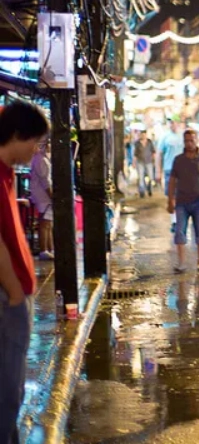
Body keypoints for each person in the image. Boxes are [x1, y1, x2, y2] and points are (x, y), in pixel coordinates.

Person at [0, 101, 50, 443]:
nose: (35, 150)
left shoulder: (7, 173)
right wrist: (16, 292)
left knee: (12, 388)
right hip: (8, 298)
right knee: (7, 391)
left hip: (15, 294)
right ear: (17, 134)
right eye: (35, 141)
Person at [167, 129, 199, 272]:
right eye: (186, 141)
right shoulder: (179, 160)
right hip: (181, 201)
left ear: (197, 141)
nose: (189, 143)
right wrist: (170, 200)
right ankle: (181, 262)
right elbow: (172, 181)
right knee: (179, 231)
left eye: (192, 140)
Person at [158, 119, 185, 231]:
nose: (172, 124)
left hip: (183, 170)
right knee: (171, 196)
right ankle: (174, 221)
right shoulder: (165, 137)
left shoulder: (183, 136)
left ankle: (181, 219)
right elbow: (159, 154)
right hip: (169, 169)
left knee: (182, 196)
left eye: (174, 122)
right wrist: (158, 171)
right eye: (171, 122)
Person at [30, 139, 54, 260]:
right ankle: (44, 250)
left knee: (48, 223)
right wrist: (51, 195)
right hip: (43, 196)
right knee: (45, 223)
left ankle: (49, 249)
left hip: (43, 195)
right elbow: (45, 181)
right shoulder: (40, 160)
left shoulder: (42, 158)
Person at [133, 129, 157, 198]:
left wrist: (154, 161)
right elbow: (135, 154)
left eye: (144, 134)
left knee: (151, 177)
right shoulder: (137, 143)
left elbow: (153, 152)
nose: (143, 136)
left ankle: (149, 189)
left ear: (146, 135)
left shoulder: (150, 142)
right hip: (140, 162)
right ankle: (142, 192)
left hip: (149, 162)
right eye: (142, 135)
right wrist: (134, 162)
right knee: (141, 177)